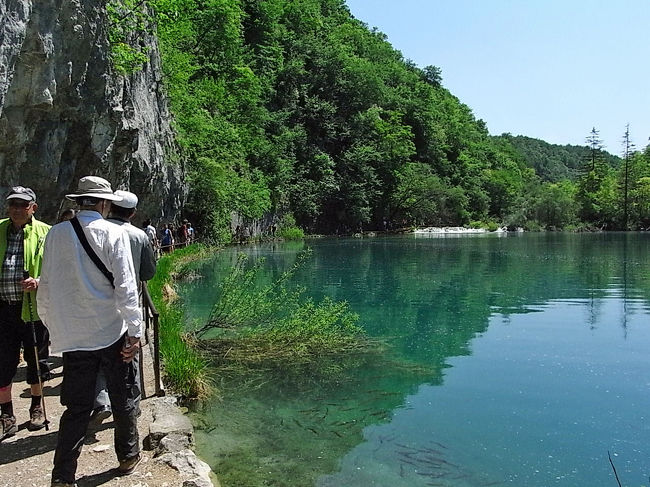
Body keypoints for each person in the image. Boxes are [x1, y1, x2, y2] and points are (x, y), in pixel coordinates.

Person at [37, 176, 143, 486]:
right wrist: (135, 332)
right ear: (105, 203)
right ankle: (127, 457)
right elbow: (125, 286)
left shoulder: (55, 235)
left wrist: (53, 325)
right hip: (112, 331)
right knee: (122, 399)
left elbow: (46, 288)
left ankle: (62, 476)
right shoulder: (113, 233)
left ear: (78, 201)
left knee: (77, 408)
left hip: (75, 336)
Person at [91, 190, 156, 425]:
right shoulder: (139, 236)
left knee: (98, 351)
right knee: (130, 352)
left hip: (98, 303)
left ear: (109, 207)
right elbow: (149, 272)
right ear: (133, 212)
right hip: (128, 302)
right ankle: (133, 404)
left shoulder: (96, 231)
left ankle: (101, 401)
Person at [0, 186, 51, 440]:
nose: (17, 209)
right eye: (13, 204)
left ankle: (36, 406)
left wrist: (39, 281)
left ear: (33, 207)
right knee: (3, 363)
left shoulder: (46, 233)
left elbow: (57, 270)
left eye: (23, 205)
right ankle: (6, 413)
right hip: (3, 308)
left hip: (33, 308)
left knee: (36, 361)